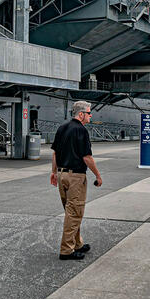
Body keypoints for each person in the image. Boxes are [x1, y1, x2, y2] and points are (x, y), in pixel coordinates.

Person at [50, 100, 102, 261]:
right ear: (81, 114)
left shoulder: (62, 128)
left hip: (62, 174)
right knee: (74, 212)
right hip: (76, 177)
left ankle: (77, 243)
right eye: (89, 113)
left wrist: (53, 172)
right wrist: (98, 176)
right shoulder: (81, 131)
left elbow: (55, 153)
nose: (90, 115)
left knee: (71, 211)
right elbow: (87, 157)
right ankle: (66, 250)